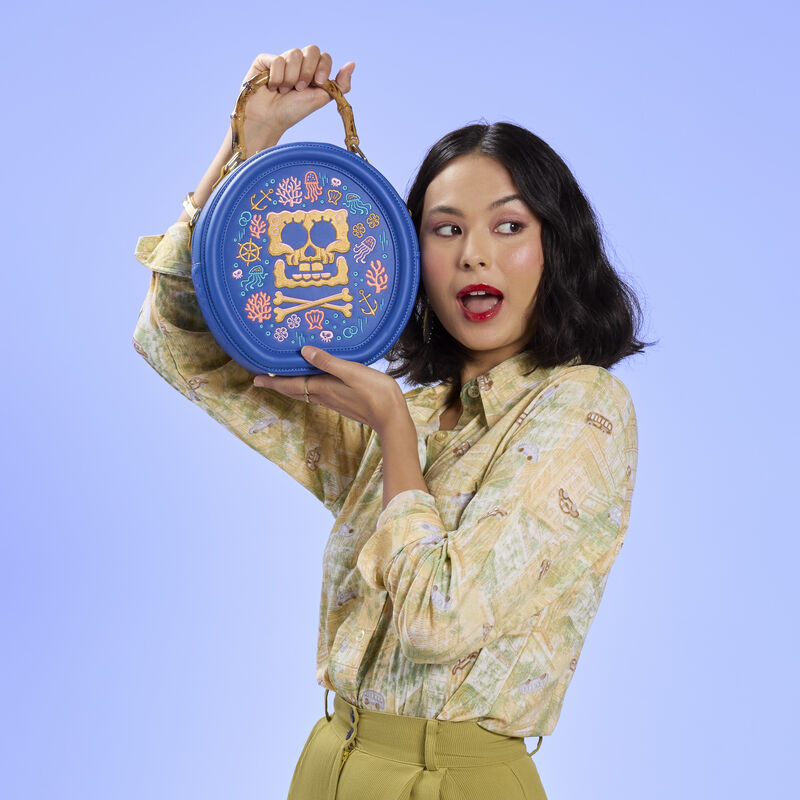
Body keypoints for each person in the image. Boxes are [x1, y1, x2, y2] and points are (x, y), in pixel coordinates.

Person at [132, 45, 650, 800]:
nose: (474, 256)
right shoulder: (396, 409)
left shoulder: (585, 407)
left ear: (555, 247)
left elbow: (442, 619)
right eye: (444, 230)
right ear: (407, 256)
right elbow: (178, 341)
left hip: (455, 778)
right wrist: (249, 152)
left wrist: (392, 436)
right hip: (331, 759)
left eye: (508, 227)